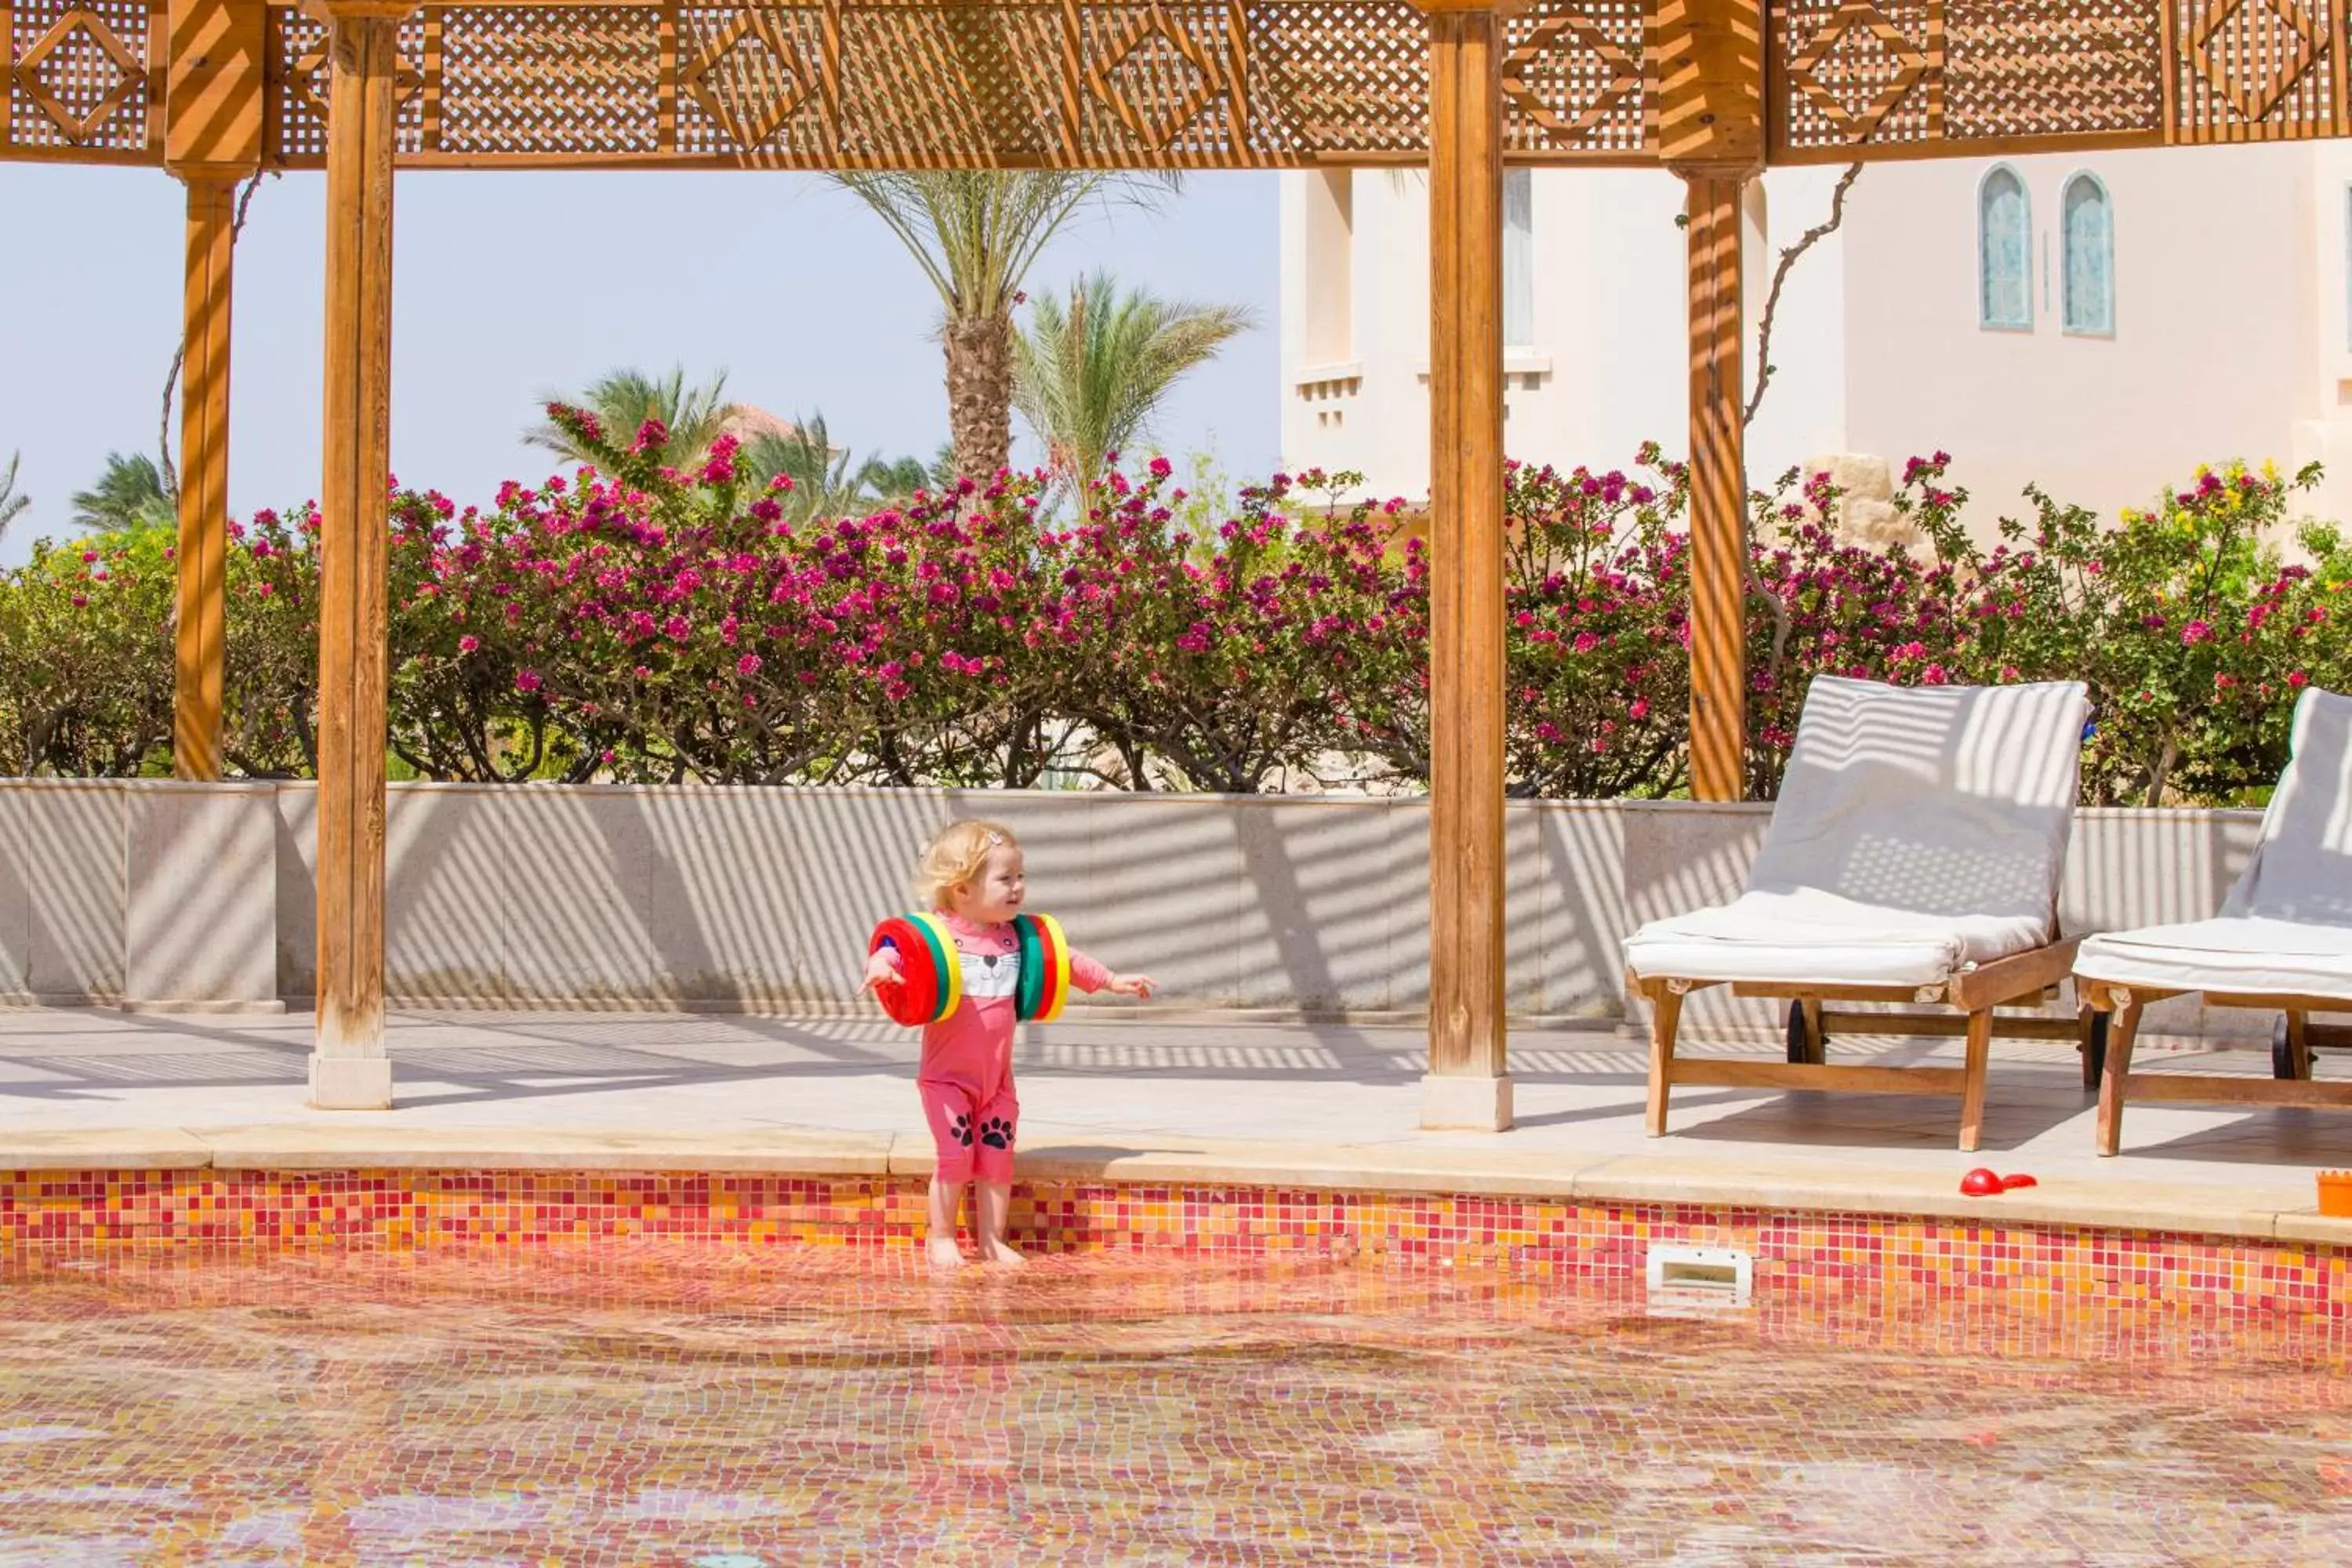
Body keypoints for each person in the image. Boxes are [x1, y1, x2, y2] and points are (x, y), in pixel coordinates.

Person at [863, 819, 1154, 1268]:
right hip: (946, 1081)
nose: (1018, 887)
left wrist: (1112, 980)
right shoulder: (939, 934)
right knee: (956, 1158)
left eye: (1020, 876)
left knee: (998, 1160)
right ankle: (941, 1237)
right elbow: (896, 948)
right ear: (962, 889)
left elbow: (1068, 960)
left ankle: (991, 1240)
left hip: (997, 1081)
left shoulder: (1016, 934)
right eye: (1005, 879)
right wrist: (882, 966)